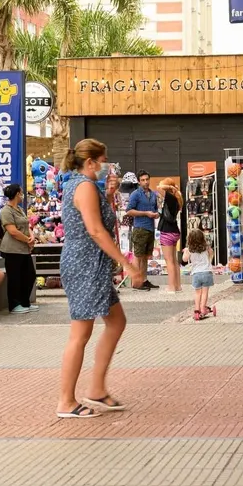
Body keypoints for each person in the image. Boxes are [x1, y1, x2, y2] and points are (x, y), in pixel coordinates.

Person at [57, 139, 141, 418]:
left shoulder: (84, 186)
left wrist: (108, 194)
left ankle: (96, 389)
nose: (108, 165)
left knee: (116, 322)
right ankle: (66, 402)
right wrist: (125, 264)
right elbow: (95, 230)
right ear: (90, 162)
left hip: (90, 265)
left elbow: (95, 222)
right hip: (85, 266)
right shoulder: (83, 186)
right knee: (80, 334)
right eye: (103, 159)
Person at [0, 184, 38, 315]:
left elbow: (27, 225)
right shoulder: (6, 211)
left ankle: (25, 302)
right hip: (12, 249)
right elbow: (12, 231)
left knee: (29, 275)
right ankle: (14, 304)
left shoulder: (20, 209)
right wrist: (27, 240)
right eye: (21, 193)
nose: (22, 195)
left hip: (23, 249)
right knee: (15, 277)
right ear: (16, 194)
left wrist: (31, 237)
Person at [126, 170, 159, 290]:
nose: (146, 182)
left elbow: (155, 209)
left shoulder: (153, 194)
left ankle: (144, 280)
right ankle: (136, 282)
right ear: (139, 182)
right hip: (140, 228)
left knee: (145, 256)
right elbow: (129, 211)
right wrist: (145, 213)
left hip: (150, 228)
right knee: (138, 256)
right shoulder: (136, 194)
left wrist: (156, 214)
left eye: (147, 179)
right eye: (143, 180)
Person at [157, 177, 183, 293]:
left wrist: (170, 187)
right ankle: (177, 286)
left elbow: (158, 188)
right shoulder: (177, 199)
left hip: (167, 231)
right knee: (174, 260)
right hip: (174, 231)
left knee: (169, 261)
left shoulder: (170, 198)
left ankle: (171, 287)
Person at [182, 228, 213, 319]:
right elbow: (211, 254)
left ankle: (196, 310)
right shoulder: (206, 247)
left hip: (196, 274)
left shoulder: (189, 249)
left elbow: (184, 259)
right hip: (207, 272)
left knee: (197, 293)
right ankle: (203, 308)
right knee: (205, 292)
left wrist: (186, 252)